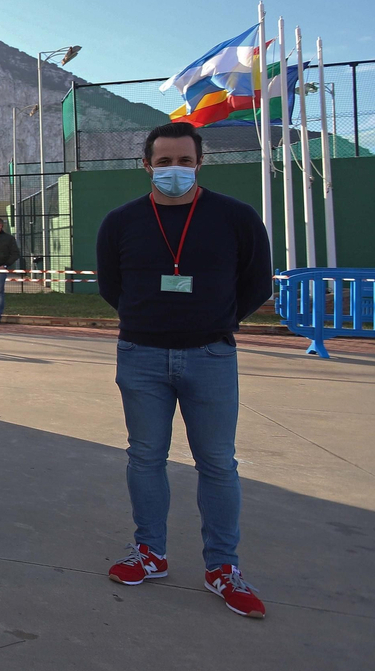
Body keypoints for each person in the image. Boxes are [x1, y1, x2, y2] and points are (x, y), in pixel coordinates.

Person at [96, 122, 272, 619]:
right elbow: (112, 287)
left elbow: (256, 283)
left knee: (217, 463)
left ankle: (222, 568)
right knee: (145, 456)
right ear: (146, 165)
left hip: (211, 355)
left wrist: (216, 318)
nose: (175, 170)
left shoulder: (235, 218)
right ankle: (149, 553)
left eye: (185, 161)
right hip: (141, 355)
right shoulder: (121, 221)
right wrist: (149, 318)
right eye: (165, 161)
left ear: (200, 163)